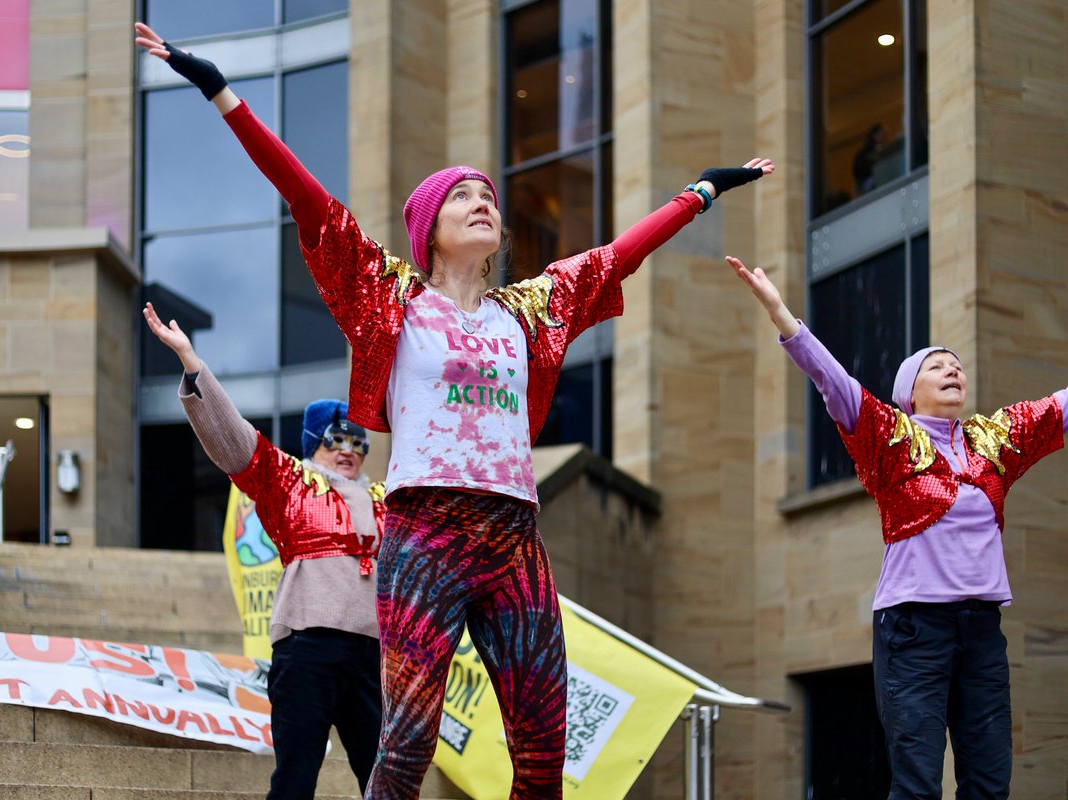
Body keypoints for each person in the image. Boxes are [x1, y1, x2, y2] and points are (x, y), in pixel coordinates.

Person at [135, 22, 772, 797]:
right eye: (462, 196)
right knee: (406, 746)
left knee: (543, 751)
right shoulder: (391, 298)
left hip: (513, 536)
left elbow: (617, 257)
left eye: (489, 197)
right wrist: (220, 92)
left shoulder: (530, 310)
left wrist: (700, 193)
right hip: (424, 531)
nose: (482, 203)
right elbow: (309, 201)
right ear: (428, 228)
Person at [726, 255, 1067, 799]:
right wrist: (780, 313)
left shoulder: (995, 439)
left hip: (982, 631)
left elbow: (1058, 409)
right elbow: (832, 380)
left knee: (989, 784)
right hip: (913, 629)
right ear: (909, 393)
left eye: (957, 366)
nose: (952, 371)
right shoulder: (889, 438)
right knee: (917, 786)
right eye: (937, 367)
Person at [143, 302, 385, 798]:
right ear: (313, 442)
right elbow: (235, 441)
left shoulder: (390, 497)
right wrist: (193, 363)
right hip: (308, 647)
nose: (348, 450)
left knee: (388, 783)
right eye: (336, 439)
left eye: (358, 442)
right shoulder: (290, 479)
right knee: (295, 779)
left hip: (374, 655)